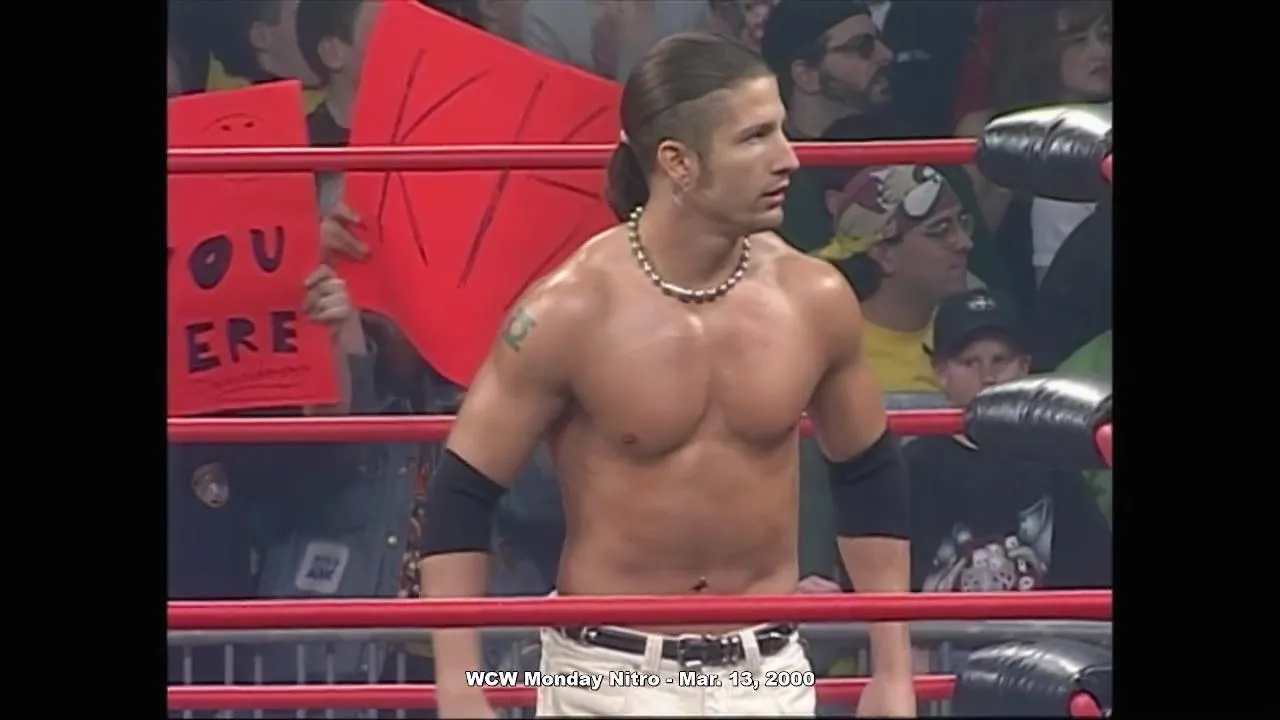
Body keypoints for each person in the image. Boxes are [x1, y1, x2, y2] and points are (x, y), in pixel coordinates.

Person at [419, 32, 915, 718]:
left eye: (782, 130)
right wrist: (459, 685)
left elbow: (867, 476)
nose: (789, 157)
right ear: (678, 162)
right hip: (610, 674)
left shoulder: (814, 299)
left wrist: (893, 671)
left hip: (763, 673)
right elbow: (462, 494)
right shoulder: (570, 310)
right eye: (756, 137)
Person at [954, 0, 1111, 307]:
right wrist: (1008, 169)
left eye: (1105, 37)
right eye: (1078, 39)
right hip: (1008, 307)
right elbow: (967, 247)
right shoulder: (987, 128)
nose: (1101, 52)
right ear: (1039, 47)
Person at [816, 164, 973, 393]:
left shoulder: (979, 328)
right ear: (884, 255)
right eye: (940, 230)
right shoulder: (828, 352)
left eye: (963, 222)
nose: (965, 243)